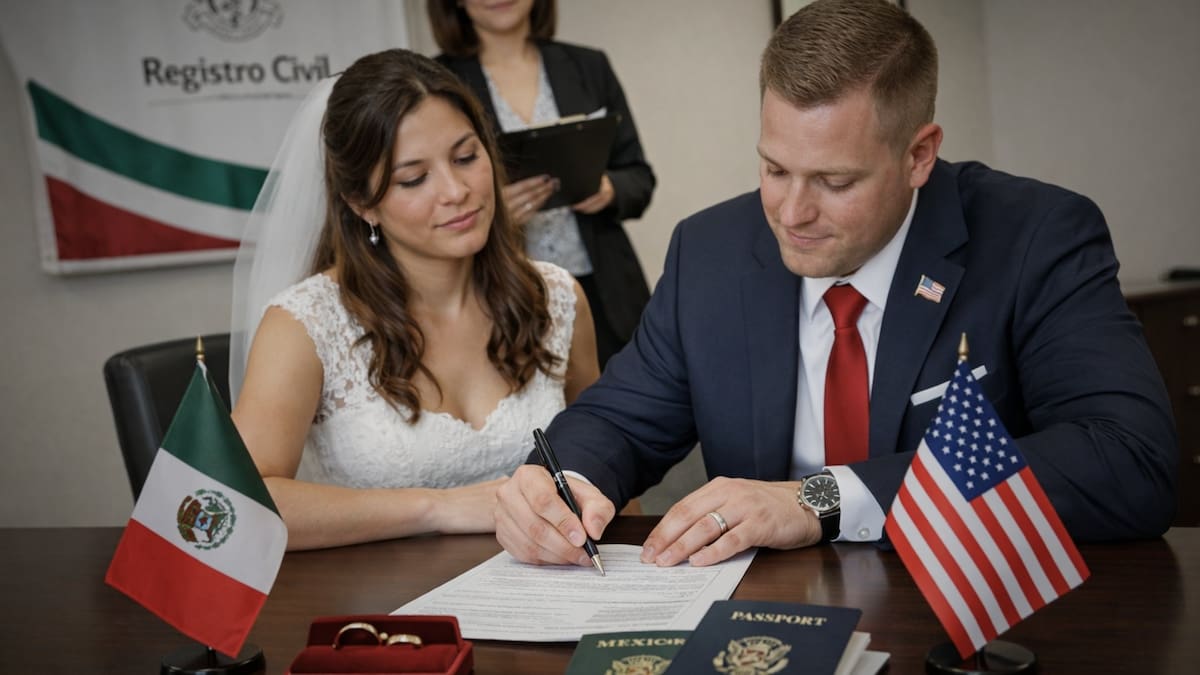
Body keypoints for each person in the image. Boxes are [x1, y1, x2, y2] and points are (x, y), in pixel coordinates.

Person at [494, 0, 1178, 570]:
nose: (791, 214)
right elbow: (619, 418)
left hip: (972, 616)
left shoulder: (1037, 237)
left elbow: (1129, 460)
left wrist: (820, 498)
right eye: (774, 168)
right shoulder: (712, 252)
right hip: (768, 621)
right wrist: (562, 484)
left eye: (835, 181)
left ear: (919, 154)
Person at [228, 48, 600, 551]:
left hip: (547, 588)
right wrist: (442, 507)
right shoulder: (305, 324)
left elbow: (602, 465)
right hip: (385, 611)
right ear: (362, 204)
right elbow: (242, 506)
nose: (456, 191)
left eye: (467, 157)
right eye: (414, 178)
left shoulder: (557, 298)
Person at [427, 0, 655, 368]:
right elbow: (432, 195)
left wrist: (609, 188)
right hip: (503, 294)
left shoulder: (589, 66)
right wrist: (492, 212)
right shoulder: (437, 83)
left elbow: (639, 178)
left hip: (605, 290)